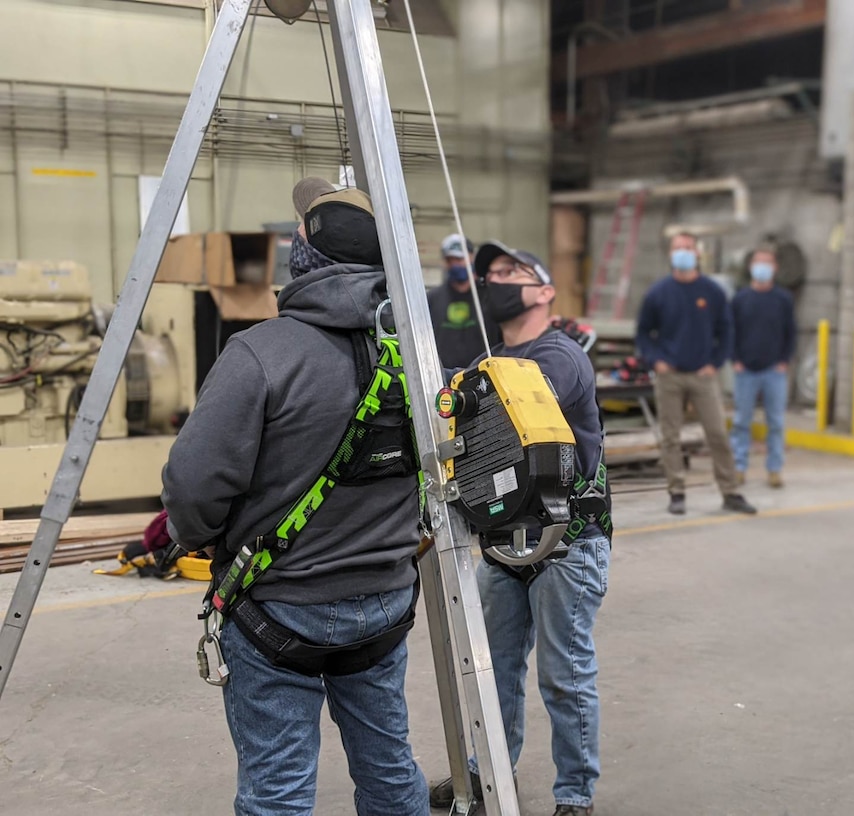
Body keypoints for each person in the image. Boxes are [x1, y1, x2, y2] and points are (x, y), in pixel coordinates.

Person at [162, 177, 429, 816]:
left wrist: (199, 535)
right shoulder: (419, 357)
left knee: (278, 791)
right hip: (385, 606)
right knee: (390, 771)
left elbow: (194, 489)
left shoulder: (260, 354)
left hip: (280, 610)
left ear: (303, 254)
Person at [429, 241, 611, 816]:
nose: (496, 279)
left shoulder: (559, 354)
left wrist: (456, 398)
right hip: (506, 543)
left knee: (564, 674)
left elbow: (520, 408)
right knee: (492, 668)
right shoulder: (487, 361)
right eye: (491, 274)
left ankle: (575, 795)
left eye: (512, 272)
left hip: (568, 542)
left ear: (545, 291)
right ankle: (488, 777)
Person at [635, 232, 756, 516]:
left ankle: (730, 492)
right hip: (670, 376)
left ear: (697, 253)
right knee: (671, 437)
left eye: (688, 248)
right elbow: (643, 334)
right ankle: (676, 492)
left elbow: (726, 330)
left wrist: (715, 363)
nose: (684, 253)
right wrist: (656, 361)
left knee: (717, 434)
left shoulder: (712, 292)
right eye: (679, 248)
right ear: (670, 254)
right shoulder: (658, 293)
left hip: (703, 375)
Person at [730, 246, 797, 488]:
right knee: (741, 421)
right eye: (759, 262)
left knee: (776, 422)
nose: (763, 267)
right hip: (745, 370)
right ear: (751, 267)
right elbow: (731, 331)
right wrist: (735, 359)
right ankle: (738, 466)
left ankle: (774, 469)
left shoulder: (783, 300)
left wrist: (783, 361)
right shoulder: (740, 299)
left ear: (775, 268)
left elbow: (791, 333)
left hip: (774, 372)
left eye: (767, 262)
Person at [427, 233, 500, 368]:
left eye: (459, 259)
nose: (455, 265)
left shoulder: (490, 296)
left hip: (484, 376)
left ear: (472, 258)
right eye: (450, 260)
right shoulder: (432, 298)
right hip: (445, 379)